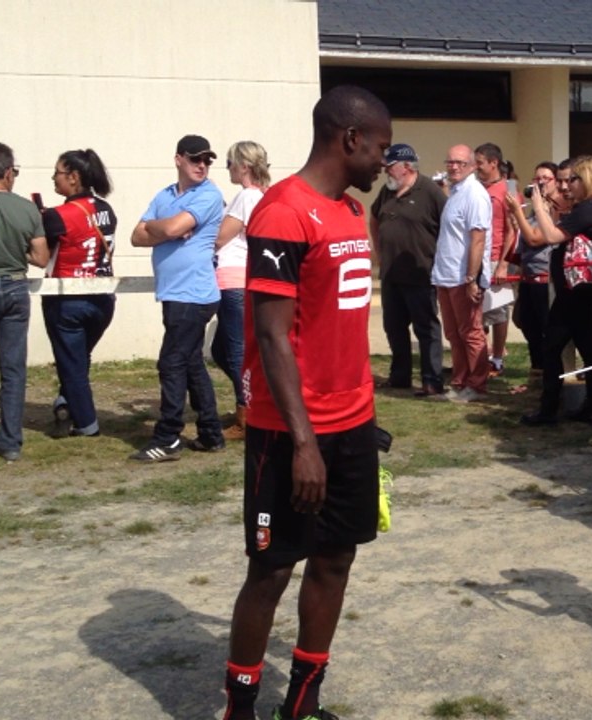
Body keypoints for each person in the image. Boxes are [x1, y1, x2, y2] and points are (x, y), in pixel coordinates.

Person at [221, 85, 391, 720]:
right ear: (349, 139)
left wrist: (362, 417)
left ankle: (302, 702)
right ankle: (240, 709)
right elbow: (270, 334)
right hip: (289, 434)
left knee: (335, 559)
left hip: (352, 425)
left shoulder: (350, 212)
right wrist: (303, 444)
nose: (384, 158)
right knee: (270, 571)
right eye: (378, 145)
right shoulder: (281, 211)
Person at [129, 134, 226, 461]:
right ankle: (211, 433)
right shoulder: (165, 195)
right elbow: (136, 236)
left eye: (207, 160)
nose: (202, 165)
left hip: (194, 294)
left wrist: (162, 228)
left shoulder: (209, 195)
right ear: (178, 159)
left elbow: (166, 231)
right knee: (191, 363)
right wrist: (165, 226)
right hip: (175, 294)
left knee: (170, 362)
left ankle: (168, 436)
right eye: (196, 159)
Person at [516, 155, 592, 426]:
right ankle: (590, 407)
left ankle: (549, 409)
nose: (567, 185)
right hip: (581, 290)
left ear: (588, 180)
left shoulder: (588, 210)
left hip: (575, 293)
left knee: (552, 347)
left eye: (573, 180)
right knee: (588, 348)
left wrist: (538, 205)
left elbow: (551, 236)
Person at [0, 143, 48, 462]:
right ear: (7, 172)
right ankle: (10, 440)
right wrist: (19, 253)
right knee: (13, 368)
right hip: (16, 287)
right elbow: (41, 258)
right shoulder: (27, 209)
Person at [40, 148, 117, 439]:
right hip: (103, 298)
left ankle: (87, 423)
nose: (53, 179)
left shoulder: (59, 215)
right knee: (78, 357)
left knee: (71, 362)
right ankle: (65, 401)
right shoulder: (106, 209)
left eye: (57, 173)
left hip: (67, 298)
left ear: (73, 177)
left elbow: (40, 253)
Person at [370, 143, 446, 396]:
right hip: (391, 274)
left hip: (421, 273)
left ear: (407, 167)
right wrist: (379, 254)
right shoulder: (387, 192)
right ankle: (399, 376)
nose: (386, 172)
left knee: (426, 328)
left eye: (390, 167)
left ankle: (432, 380)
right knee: (393, 327)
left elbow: (448, 227)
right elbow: (374, 218)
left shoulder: (430, 192)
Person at [213, 141, 270, 441]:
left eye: (230, 163)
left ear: (244, 166)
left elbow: (221, 238)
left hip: (232, 279)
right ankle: (251, 401)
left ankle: (247, 415)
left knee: (235, 352)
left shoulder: (245, 196)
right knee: (221, 350)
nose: (228, 169)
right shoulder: (263, 196)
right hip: (244, 278)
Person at [431, 144, 492, 403]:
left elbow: (478, 239)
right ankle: (460, 380)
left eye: (459, 163)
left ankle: (476, 385)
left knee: (471, 332)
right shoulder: (455, 192)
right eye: (450, 162)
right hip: (445, 274)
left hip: (462, 276)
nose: (453, 167)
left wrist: (472, 278)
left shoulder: (475, 194)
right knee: (454, 334)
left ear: (472, 166)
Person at [508, 161, 560, 379]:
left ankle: (550, 373)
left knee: (547, 328)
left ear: (555, 182)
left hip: (545, 279)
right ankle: (538, 368)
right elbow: (523, 242)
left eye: (544, 179)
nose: (539, 183)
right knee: (526, 322)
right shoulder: (532, 211)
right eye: (536, 178)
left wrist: (517, 216)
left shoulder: (557, 209)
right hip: (528, 277)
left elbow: (535, 237)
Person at [475, 142, 517, 377]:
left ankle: (498, 359)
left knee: (498, 311)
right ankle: (482, 356)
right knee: (478, 312)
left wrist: (503, 263)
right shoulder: (478, 188)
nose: (476, 167)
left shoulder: (508, 189)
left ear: (494, 163)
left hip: (495, 257)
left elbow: (513, 230)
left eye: (480, 162)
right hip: (477, 257)